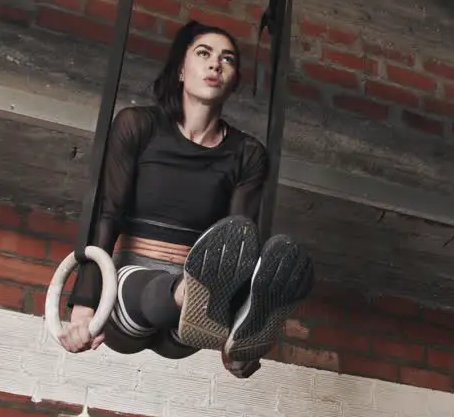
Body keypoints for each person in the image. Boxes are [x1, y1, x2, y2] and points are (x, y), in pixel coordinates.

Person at [55, 20, 313, 378]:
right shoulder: (138, 126)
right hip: (128, 295)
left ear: (234, 79)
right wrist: (84, 306)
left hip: (193, 322)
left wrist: (235, 339)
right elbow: (107, 215)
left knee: (234, 250)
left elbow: (238, 242)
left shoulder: (247, 154)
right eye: (204, 54)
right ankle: (192, 296)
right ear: (181, 69)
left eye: (227, 59)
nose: (215, 64)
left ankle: (235, 321)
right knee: (161, 288)